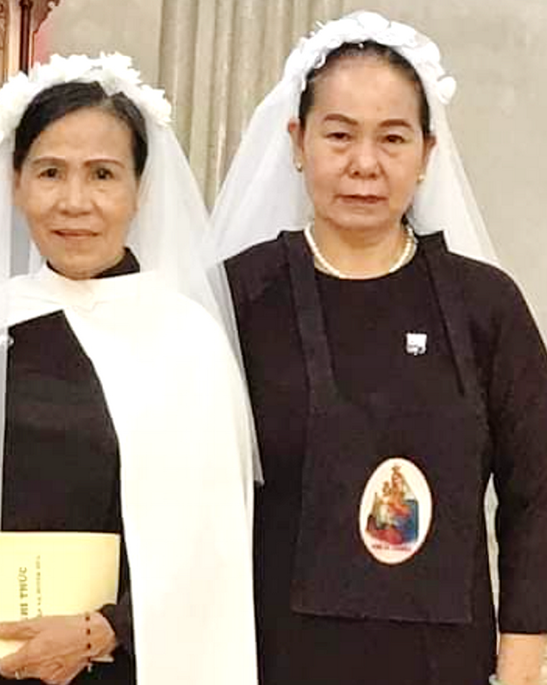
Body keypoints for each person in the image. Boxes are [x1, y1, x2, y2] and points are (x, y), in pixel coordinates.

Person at [0, 54, 257, 685]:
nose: (74, 201)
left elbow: (210, 550)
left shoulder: (187, 343)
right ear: (16, 184)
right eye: (50, 172)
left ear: (141, 190)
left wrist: (104, 630)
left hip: (120, 662)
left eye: (102, 174)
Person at [206, 10, 547, 685]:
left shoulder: (487, 305)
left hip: (444, 660)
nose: (365, 163)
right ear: (299, 141)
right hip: (273, 654)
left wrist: (525, 656)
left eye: (392, 138)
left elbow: (536, 490)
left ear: (427, 152)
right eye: (339, 135)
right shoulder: (240, 297)